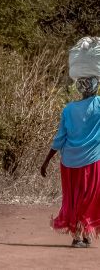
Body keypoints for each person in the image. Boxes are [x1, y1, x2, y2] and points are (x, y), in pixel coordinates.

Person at [41, 76, 100, 247]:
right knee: (90, 197)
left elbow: (60, 138)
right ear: (95, 88)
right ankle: (78, 236)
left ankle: (84, 233)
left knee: (75, 198)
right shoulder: (98, 104)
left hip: (70, 162)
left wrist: (46, 161)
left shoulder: (68, 109)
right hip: (92, 161)